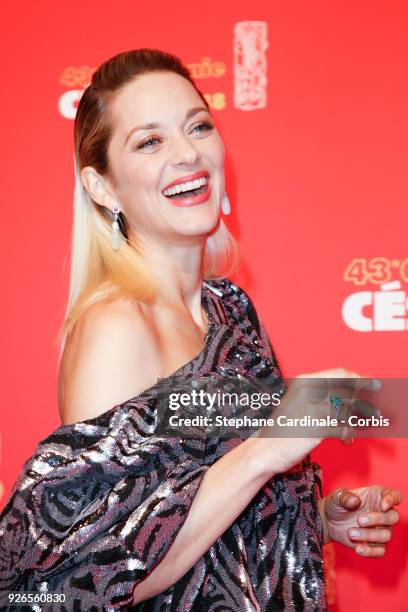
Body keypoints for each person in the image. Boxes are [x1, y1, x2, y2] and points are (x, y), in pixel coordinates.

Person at [0, 48, 402, 612]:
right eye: (149, 141)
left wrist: (315, 519)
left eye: (198, 126)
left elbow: (205, 505)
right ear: (102, 187)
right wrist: (270, 446)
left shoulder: (229, 309)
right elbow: (96, 571)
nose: (188, 153)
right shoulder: (115, 327)